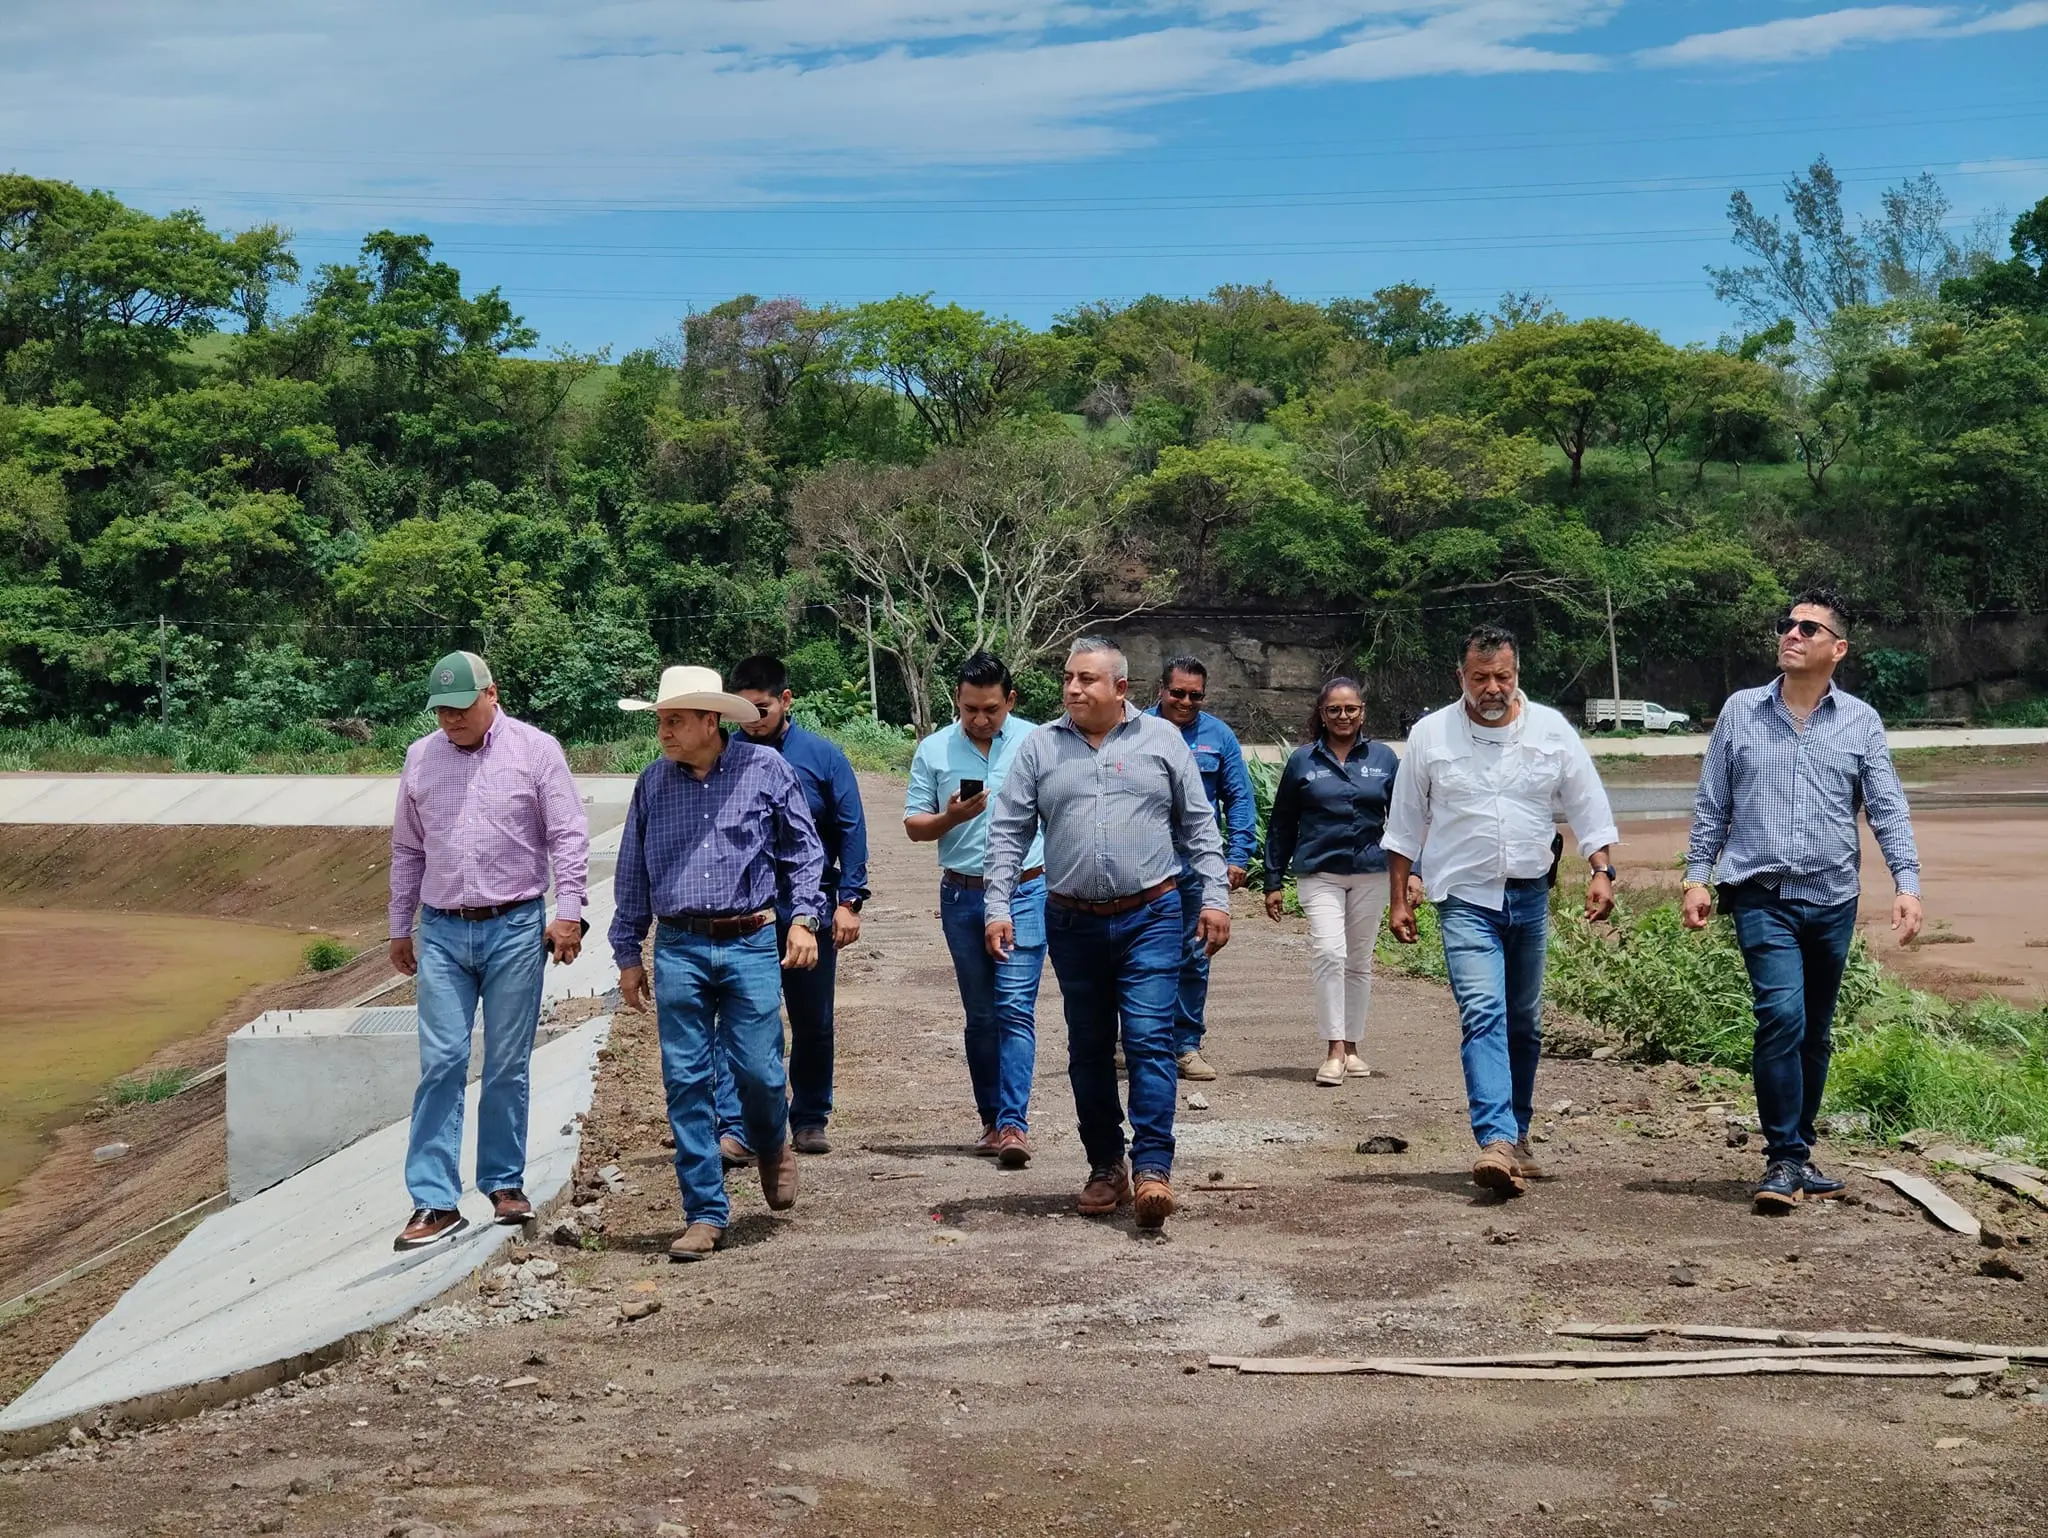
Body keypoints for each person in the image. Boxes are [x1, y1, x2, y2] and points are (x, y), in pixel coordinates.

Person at [1682, 588, 1923, 1214]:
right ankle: (1783, 1156)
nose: (1792, 634)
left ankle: (1800, 1152)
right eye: (1787, 625)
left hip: (1832, 896)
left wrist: (1907, 885)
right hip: (1761, 892)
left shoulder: (1860, 721)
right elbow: (1714, 805)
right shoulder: (1741, 712)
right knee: (1782, 1015)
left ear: (1836, 649)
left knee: (1815, 1031)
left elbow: (1887, 808)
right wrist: (1696, 877)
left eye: (1808, 629)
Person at [983, 636, 1231, 1231]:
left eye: (1087, 679)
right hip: (1071, 921)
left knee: (1149, 1040)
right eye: (1069, 677)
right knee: (1088, 1048)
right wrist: (998, 906)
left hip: (1152, 914)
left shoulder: (1162, 741)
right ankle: (1105, 1166)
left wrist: (1217, 896)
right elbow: (1008, 833)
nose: (1072, 688)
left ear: (1120, 688)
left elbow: (1199, 825)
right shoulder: (1040, 747)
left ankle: (1152, 1169)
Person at [1382, 625, 1619, 1198]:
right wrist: (1397, 899)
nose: (1492, 688)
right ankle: (1494, 1140)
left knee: (1524, 1022)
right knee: (1483, 1011)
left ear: (1517, 676)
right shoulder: (1430, 735)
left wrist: (1601, 869)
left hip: (1529, 895)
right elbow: (1405, 823)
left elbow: (1587, 802)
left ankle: (1519, 1132)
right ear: (1460, 677)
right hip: (1464, 899)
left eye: (1503, 677)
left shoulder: (1550, 730)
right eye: (1480, 677)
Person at [609, 665, 827, 1261]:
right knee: (685, 1079)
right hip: (678, 944)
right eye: (660, 720)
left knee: (758, 1068)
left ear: (712, 721)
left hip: (750, 938)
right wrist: (628, 951)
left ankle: (772, 1138)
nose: (665, 731)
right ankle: (704, 1211)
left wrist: (804, 919)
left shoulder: (765, 770)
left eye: (675, 720)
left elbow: (804, 852)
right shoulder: (653, 784)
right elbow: (633, 872)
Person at [387, 651, 590, 1252]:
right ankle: (433, 1200)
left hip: (515, 927)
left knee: (505, 1062)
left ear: (491, 695)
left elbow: (568, 834)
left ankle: (503, 1184)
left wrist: (569, 914)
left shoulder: (536, 750)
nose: (450, 718)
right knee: (443, 1060)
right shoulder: (420, 758)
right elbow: (407, 848)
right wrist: (401, 926)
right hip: (444, 931)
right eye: (441, 709)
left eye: (460, 706)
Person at [711, 653, 870, 1161]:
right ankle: (738, 1123)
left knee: (812, 1017)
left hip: (811, 906)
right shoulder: (723, 756)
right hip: (745, 911)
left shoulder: (821, 757)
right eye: (742, 710)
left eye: (761, 708)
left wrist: (849, 900)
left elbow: (851, 828)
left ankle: (809, 1117)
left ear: (785, 700)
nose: (752, 720)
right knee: (743, 1020)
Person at [904, 651, 1048, 1166]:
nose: (981, 719)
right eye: (970, 710)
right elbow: (914, 826)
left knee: (1014, 1007)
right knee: (982, 1014)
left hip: (1027, 890)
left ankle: (1014, 1124)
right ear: (957, 704)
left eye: (991, 709)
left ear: (1011, 700)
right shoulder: (935, 750)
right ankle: (991, 1119)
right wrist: (951, 817)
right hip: (962, 893)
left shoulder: (1040, 740)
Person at [1263, 676, 1401, 1086]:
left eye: (1351, 709)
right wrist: (1273, 879)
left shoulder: (1384, 758)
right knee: (1329, 952)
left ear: (1363, 712)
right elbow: (1282, 823)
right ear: (1321, 714)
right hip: (1319, 872)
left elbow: (1407, 822)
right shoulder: (1303, 761)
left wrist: (1412, 876)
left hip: (1371, 872)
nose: (1343, 716)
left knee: (1358, 962)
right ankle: (1334, 1049)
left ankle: (1354, 1047)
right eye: (1334, 710)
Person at [1147, 655, 1257, 1082]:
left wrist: (1237, 857)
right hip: (1146, 864)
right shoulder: (1135, 729)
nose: (1186, 702)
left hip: (1196, 864)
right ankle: (1134, 1040)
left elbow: (1240, 799)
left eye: (1195, 695)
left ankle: (1185, 1046)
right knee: (1139, 955)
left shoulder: (1218, 736)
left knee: (1195, 954)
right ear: (1161, 689)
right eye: (1178, 693)